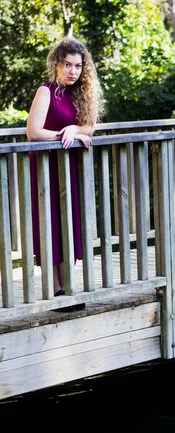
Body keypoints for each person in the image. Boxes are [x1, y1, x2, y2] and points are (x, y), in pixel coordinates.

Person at [27, 36, 103, 297]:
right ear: (57, 65)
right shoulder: (45, 91)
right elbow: (33, 133)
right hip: (47, 168)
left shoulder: (82, 94)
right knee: (51, 223)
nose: (73, 71)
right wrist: (63, 134)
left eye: (78, 66)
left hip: (71, 167)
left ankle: (67, 285)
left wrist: (75, 129)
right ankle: (56, 288)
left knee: (71, 221)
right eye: (68, 65)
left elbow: (90, 127)